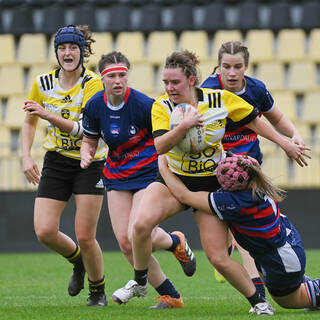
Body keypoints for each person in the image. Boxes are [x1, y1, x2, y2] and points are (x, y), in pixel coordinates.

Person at [113, 50, 308, 314]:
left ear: (191, 80)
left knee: (218, 257)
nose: (169, 88)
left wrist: (285, 143)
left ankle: (259, 303)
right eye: (166, 83)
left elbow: (255, 122)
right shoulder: (162, 106)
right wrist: (184, 126)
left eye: (175, 82)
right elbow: (159, 146)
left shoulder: (218, 99)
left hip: (210, 185)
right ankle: (140, 281)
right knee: (139, 226)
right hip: (173, 178)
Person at [80, 51, 196, 309]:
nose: (118, 80)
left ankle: (171, 258)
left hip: (146, 173)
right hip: (117, 175)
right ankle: (172, 289)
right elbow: (89, 140)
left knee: (137, 234)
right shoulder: (94, 105)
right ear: (103, 79)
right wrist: (86, 154)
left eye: (122, 75)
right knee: (125, 242)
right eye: (112, 76)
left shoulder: (145, 104)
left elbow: (163, 140)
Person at [201, 40, 310, 305]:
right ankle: (251, 278)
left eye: (238, 66)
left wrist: (294, 135)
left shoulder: (256, 89)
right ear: (218, 68)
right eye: (226, 66)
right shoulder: (207, 91)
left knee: (247, 233)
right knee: (242, 230)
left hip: (249, 172)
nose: (232, 72)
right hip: (218, 171)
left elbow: (278, 119)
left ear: (246, 67)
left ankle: (261, 286)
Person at [158, 153, 320, 313]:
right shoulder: (257, 181)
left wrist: (163, 167)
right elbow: (248, 162)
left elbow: (184, 196)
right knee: (291, 290)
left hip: (281, 259)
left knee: (288, 300)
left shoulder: (235, 202)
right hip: (285, 247)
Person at [21, 25, 108, 307]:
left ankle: (97, 292)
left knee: (85, 235)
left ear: (83, 52)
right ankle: (79, 263)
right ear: (56, 52)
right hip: (56, 161)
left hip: (89, 161)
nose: (67, 53)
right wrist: (25, 155)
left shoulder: (93, 83)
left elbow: (85, 130)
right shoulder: (43, 83)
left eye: (73, 48)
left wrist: (47, 114)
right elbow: (29, 120)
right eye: (62, 48)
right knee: (44, 231)